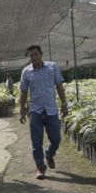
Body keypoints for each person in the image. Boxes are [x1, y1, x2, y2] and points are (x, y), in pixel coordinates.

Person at [18, 44, 68, 179]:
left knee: (56, 139)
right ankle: (41, 168)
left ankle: (50, 153)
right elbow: (23, 92)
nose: (33, 57)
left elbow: (59, 86)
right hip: (35, 111)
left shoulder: (52, 67)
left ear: (41, 54)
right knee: (36, 142)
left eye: (35, 54)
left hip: (51, 110)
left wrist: (64, 104)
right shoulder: (26, 72)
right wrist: (22, 110)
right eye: (31, 56)